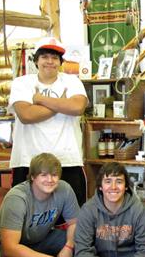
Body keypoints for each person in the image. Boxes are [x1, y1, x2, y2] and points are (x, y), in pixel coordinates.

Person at [8, 37, 88, 208]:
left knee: (72, 216)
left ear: (60, 62)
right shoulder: (21, 83)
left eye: (55, 57)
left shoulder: (73, 81)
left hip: (68, 161)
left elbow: (77, 107)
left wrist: (40, 99)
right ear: (36, 60)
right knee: (25, 213)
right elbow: (27, 115)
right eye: (44, 57)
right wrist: (62, 103)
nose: (50, 61)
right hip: (28, 161)